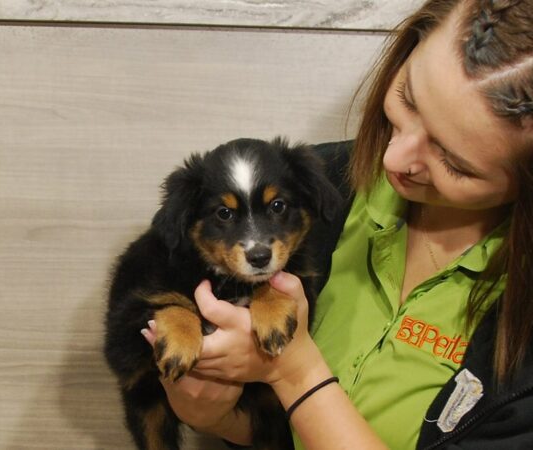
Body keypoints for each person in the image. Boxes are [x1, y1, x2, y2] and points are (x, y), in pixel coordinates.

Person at [141, 0, 533, 448]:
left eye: (454, 162)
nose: (394, 159)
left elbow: (290, 377)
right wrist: (215, 414)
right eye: (407, 99)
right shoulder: (313, 187)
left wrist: (295, 372)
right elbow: (276, 433)